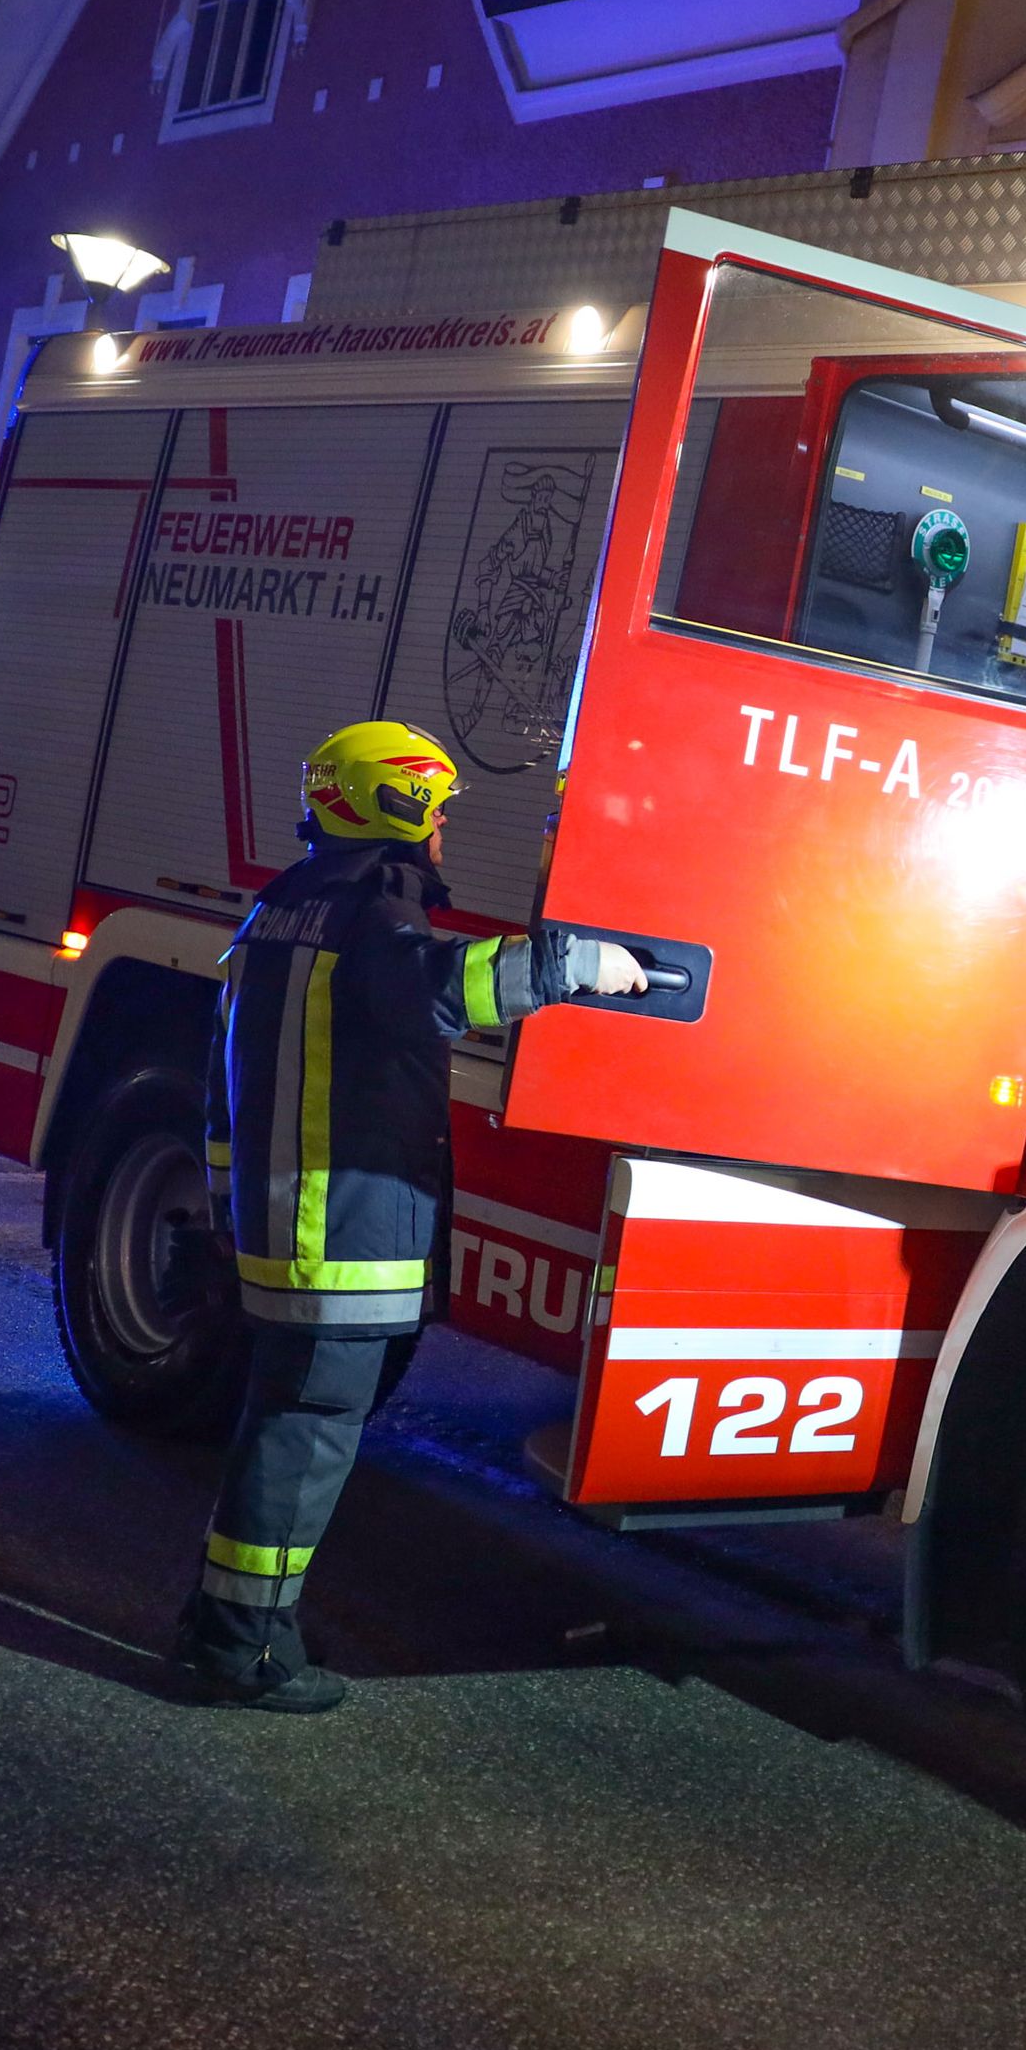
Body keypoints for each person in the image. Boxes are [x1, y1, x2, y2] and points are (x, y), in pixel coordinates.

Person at [173, 719, 649, 1711]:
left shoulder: (278, 909)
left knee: (283, 1424)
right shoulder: (374, 918)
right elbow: (442, 989)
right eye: (435, 813)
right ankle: (234, 1644)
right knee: (305, 1433)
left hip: (285, 1231)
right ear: (397, 808)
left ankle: (227, 1620)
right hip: (337, 1238)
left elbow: (220, 1091)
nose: (441, 836)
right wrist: (576, 965)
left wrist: (227, 1213)